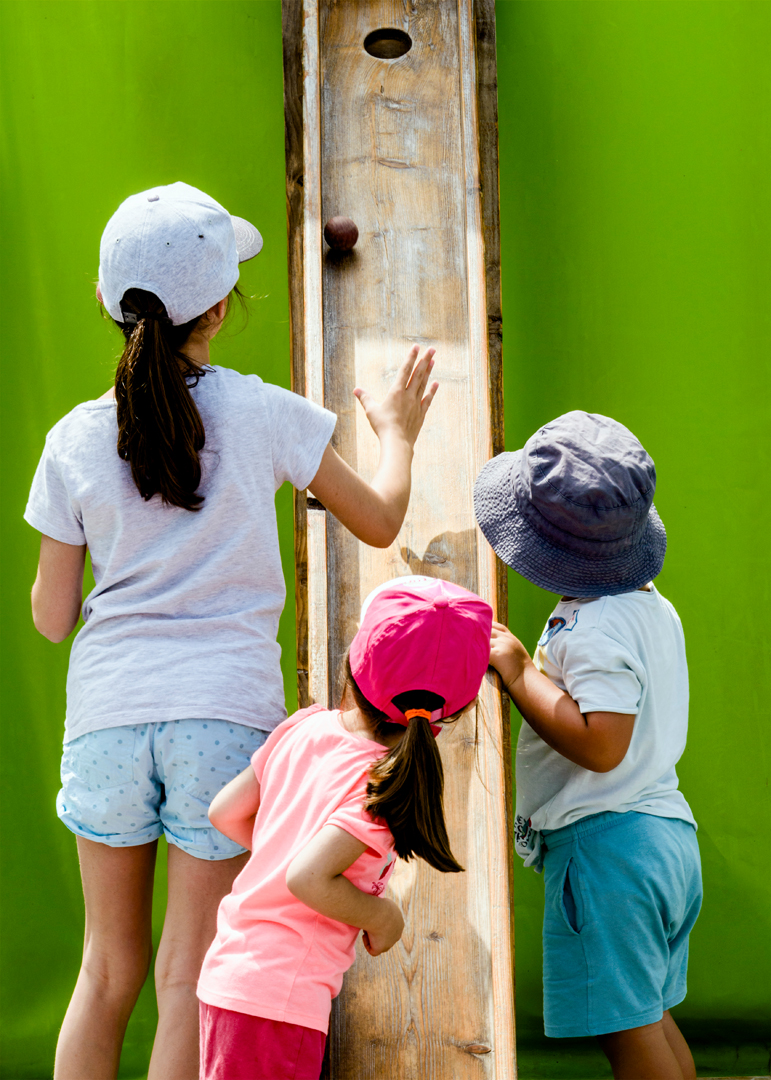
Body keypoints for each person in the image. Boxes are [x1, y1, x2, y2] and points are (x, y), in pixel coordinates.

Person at [24, 181, 439, 1080]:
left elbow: (53, 620)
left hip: (105, 722)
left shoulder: (69, 441)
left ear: (107, 301)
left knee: (105, 973)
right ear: (218, 307)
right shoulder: (263, 413)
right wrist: (397, 435)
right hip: (223, 721)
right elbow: (376, 520)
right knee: (188, 977)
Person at [474, 411, 702, 1080]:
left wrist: (517, 674)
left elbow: (602, 745)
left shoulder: (592, 629)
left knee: (624, 1031)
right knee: (650, 1014)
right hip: (661, 836)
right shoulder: (648, 606)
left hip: (608, 848)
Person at [195, 576, 493, 1080]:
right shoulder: (382, 785)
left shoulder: (305, 725)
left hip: (231, 973)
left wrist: (278, 849)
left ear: (356, 664)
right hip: (280, 996)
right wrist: (382, 916)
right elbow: (308, 878)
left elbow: (224, 812)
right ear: (457, 710)